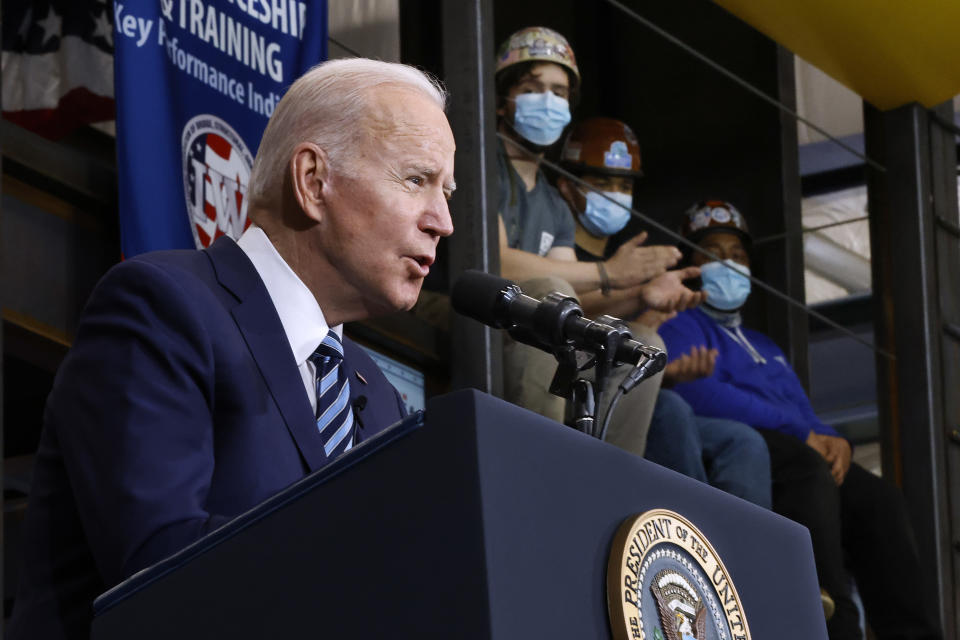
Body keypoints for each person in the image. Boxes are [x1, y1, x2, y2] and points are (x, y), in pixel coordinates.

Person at [8, 58, 456, 640]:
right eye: (416, 180)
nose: (442, 221)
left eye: (446, 192)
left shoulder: (380, 400)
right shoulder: (164, 307)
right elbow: (160, 564)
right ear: (313, 182)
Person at [658, 200, 942, 640]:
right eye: (712, 253)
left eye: (737, 254)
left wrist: (833, 438)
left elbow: (802, 410)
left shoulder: (762, 343)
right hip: (747, 446)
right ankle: (834, 626)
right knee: (808, 470)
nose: (728, 263)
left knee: (879, 498)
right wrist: (804, 435)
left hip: (794, 443)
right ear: (691, 267)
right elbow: (700, 392)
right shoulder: (679, 324)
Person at [494, 28, 698, 456]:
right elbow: (493, 262)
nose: (548, 102)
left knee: (639, 343)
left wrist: (641, 294)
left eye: (559, 92)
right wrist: (610, 273)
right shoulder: (482, 159)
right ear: (503, 99)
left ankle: (608, 473)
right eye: (533, 89)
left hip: (517, 323)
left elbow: (577, 307)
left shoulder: (552, 200)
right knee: (554, 297)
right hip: (465, 308)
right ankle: (542, 457)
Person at [555, 119, 769, 508]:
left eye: (624, 185)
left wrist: (666, 368)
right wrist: (639, 298)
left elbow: (631, 347)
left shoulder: (630, 263)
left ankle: (730, 559)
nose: (616, 195)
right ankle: (688, 542)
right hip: (566, 383)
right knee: (671, 411)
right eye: (603, 183)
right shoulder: (561, 250)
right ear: (567, 185)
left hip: (615, 388)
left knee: (743, 441)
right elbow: (567, 313)